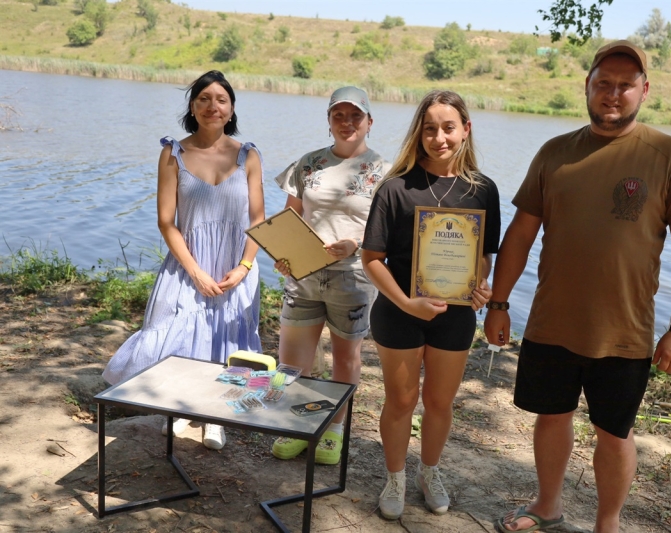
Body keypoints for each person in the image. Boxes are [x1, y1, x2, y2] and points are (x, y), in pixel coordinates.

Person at [486, 41, 671, 533]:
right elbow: (520, 234)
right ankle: (547, 507)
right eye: (603, 83)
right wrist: (498, 303)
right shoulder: (555, 153)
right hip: (551, 321)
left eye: (625, 85)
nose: (613, 94)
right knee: (551, 417)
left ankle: (607, 524)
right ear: (586, 86)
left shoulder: (668, 155)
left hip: (624, 331)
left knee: (614, 433)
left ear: (643, 91)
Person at [103, 70, 265, 451]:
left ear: (231, 109)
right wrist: (194, 271)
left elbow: (259, 220)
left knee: (228, 338)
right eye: (204, 98)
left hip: (234, 265)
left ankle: (216, 417)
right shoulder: (173, 153)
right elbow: (166, 221)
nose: (213, 106)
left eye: (220, 99)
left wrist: (243, 268)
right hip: (187, 262)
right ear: (192, 106)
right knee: (177, 333)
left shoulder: (248, 155)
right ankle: (175, 408)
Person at [361, 90, 501, 520]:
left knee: (440, 403)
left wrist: (481, 286)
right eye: (429, 128)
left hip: (454, 317)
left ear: (465, 130)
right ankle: (396, 476)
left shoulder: (483, 191)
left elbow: (483, 256)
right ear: (418, 133)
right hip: (399, 311)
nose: (438, 137)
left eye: (448, 127)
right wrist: (406, 302)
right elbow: (371, 259)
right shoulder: (396, 188)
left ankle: (430, 472)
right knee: (401, 402)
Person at [270, 86, 389, 465]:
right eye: (338, 115)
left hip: (352, 279)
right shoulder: (308, 164)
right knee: (293, 361)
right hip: (303, 276)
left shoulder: (385, 172)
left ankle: (333, 429)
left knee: (344, 360)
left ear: (370, 121)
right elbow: (290, 218)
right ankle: (300, 424)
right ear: (328, 121)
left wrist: (355, 244)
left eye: (356, 115)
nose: (347, 122)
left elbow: (386, 232)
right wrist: (283, 253)